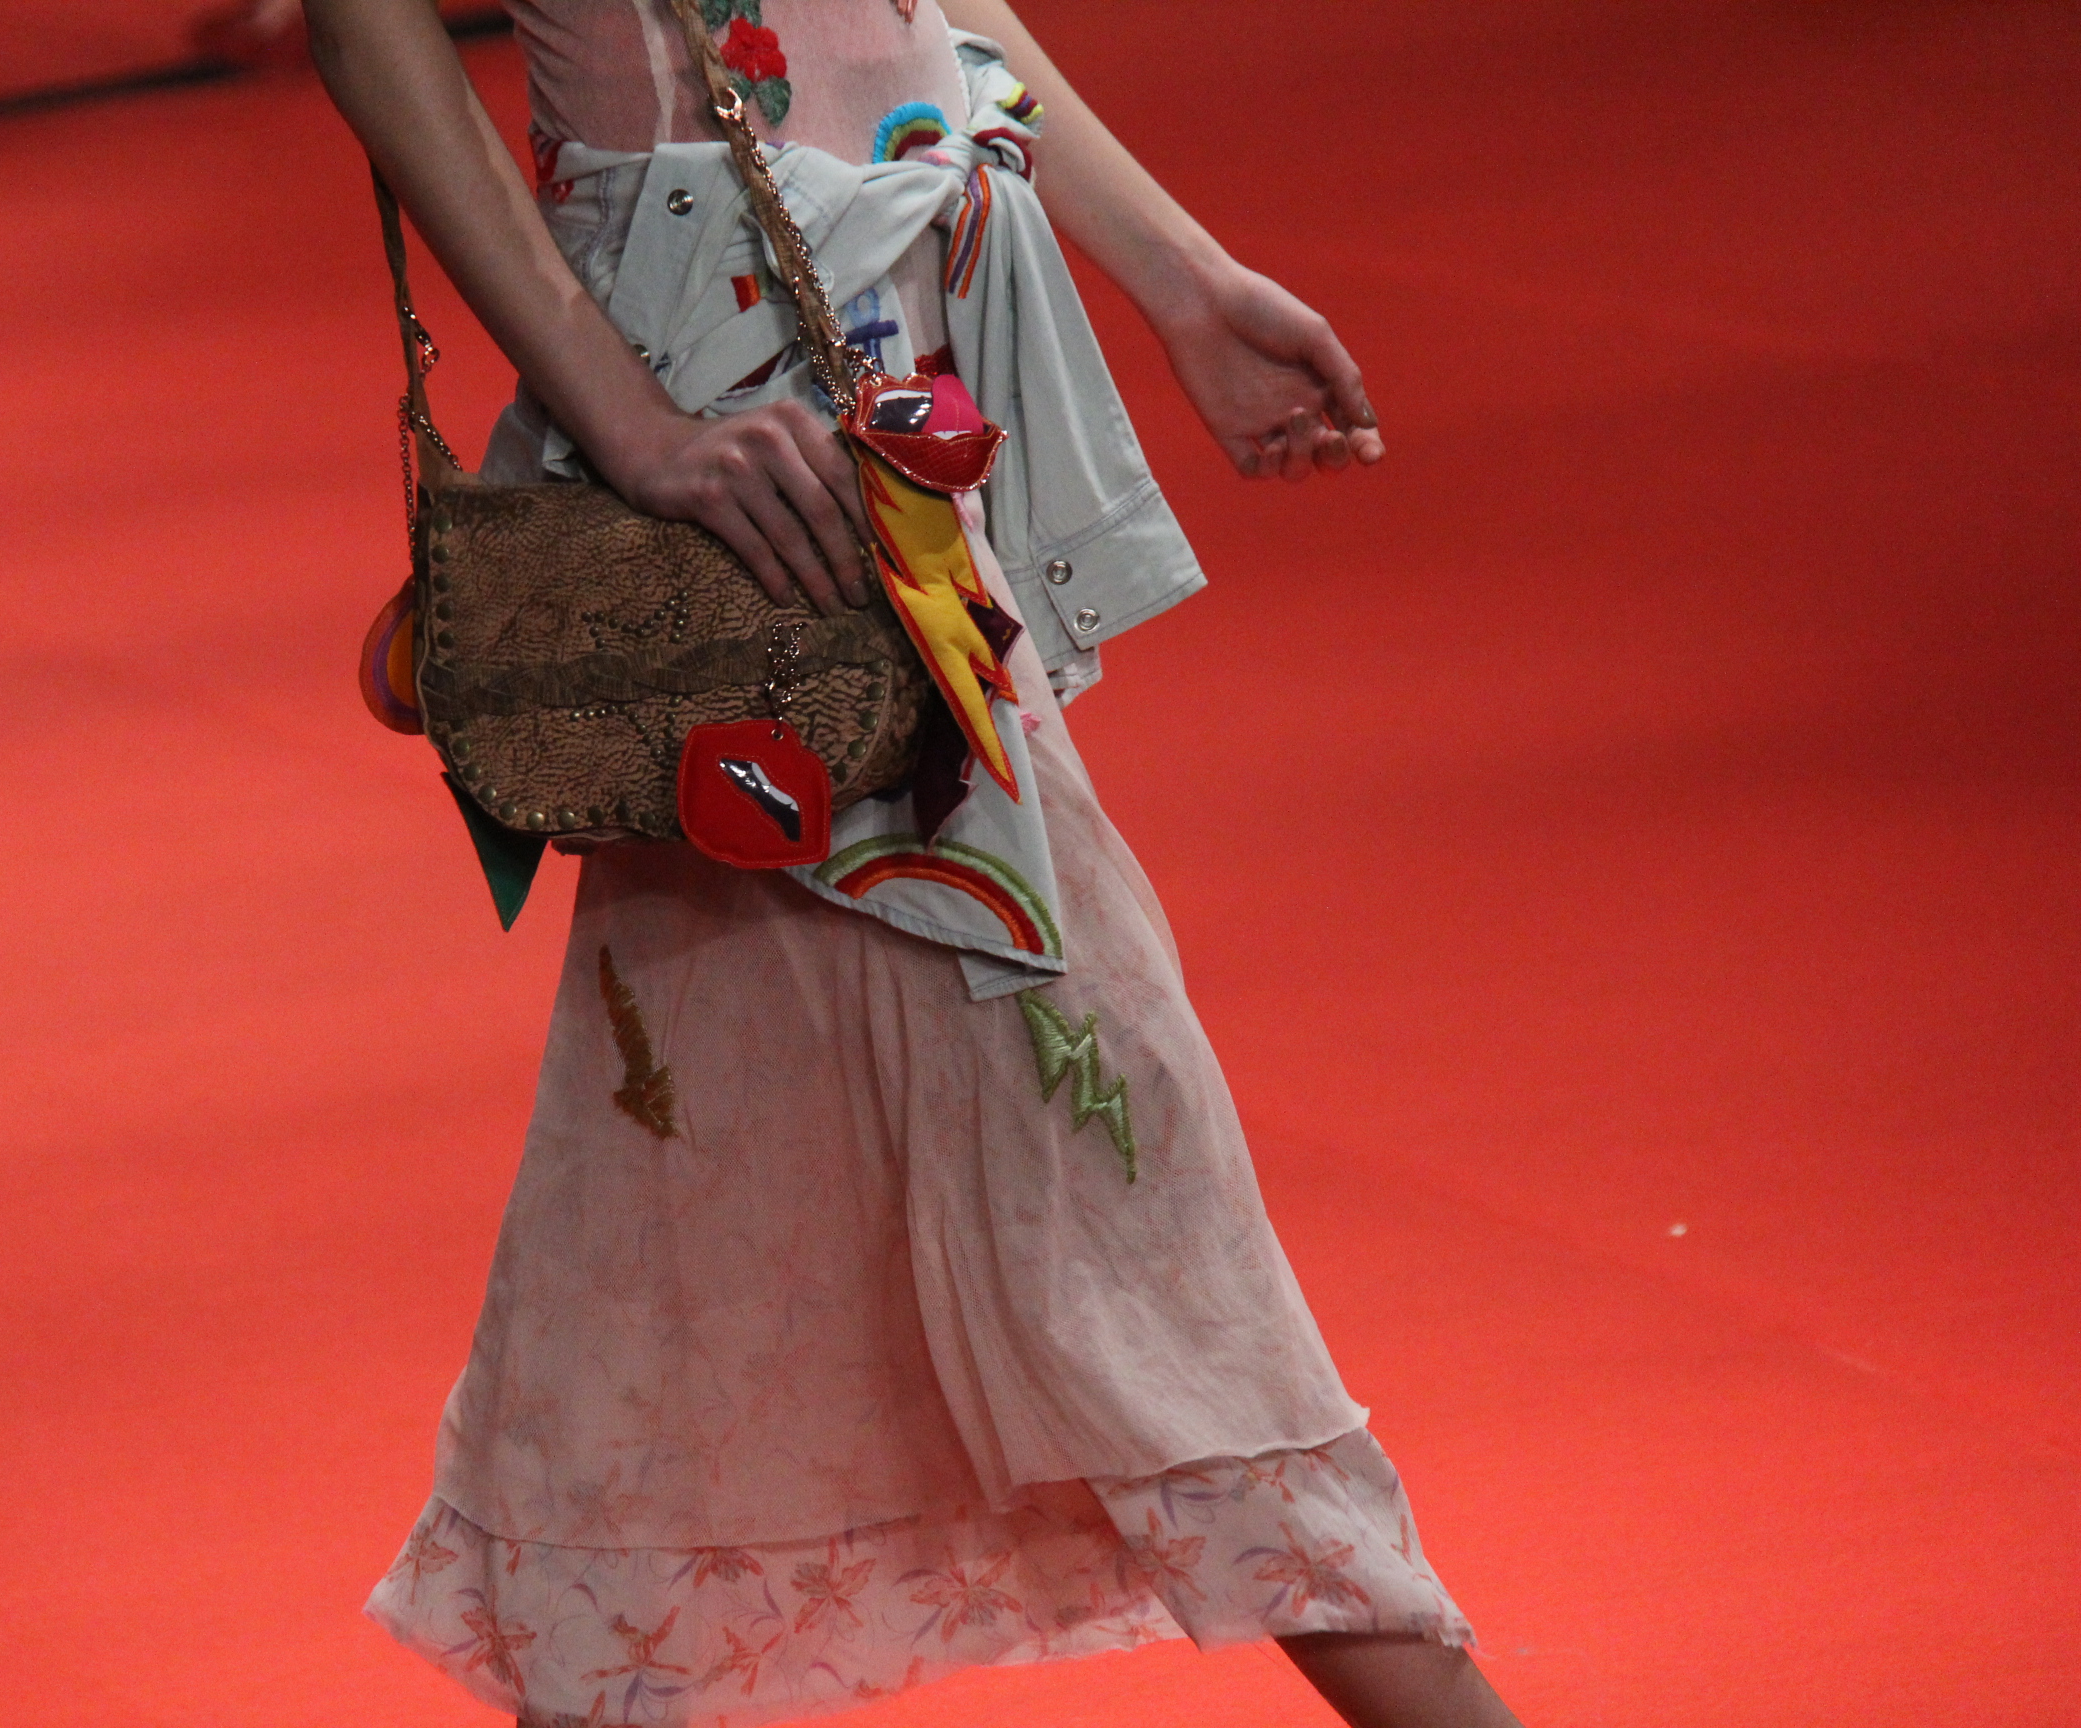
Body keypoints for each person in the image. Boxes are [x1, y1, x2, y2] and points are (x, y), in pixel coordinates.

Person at [309, 3, 1526, 1725]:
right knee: (1112, 1174)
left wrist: (1178, 276)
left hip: (866, 431)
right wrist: (630, 420)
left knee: (683, 1237)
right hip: (773, 464)